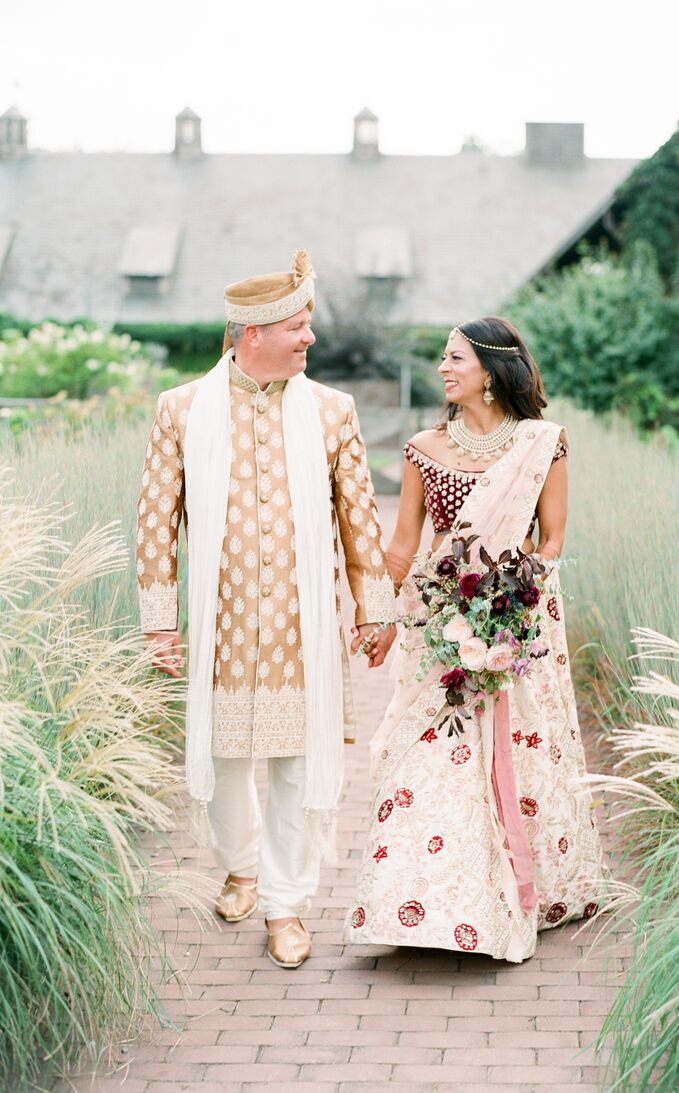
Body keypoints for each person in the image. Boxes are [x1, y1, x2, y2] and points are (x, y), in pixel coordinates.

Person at [136, 250, 395, 969]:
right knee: (222, 763)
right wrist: (161, 620)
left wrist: (375, 611)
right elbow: (156, 519)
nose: (310, 339)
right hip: (218, 626)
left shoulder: (330, 410)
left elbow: (360, 520)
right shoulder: (182, 409)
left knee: (292, 760)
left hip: (298, 626)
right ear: (253, 333)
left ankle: (286, 902)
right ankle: (241, 864)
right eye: (298, 326)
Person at [344, 317, 603, 961]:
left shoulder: (543, 444)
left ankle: (511, 891)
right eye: (441, 357)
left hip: (515, 627)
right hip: (437, 626)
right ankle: (421, 902)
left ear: (491, 370)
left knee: (514, 752)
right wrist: (377, 616)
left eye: (454, 357)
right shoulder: (423, 448)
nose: (442, 367)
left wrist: (509, 612)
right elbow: (403, 544)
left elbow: (550, 542)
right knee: (427, 752)